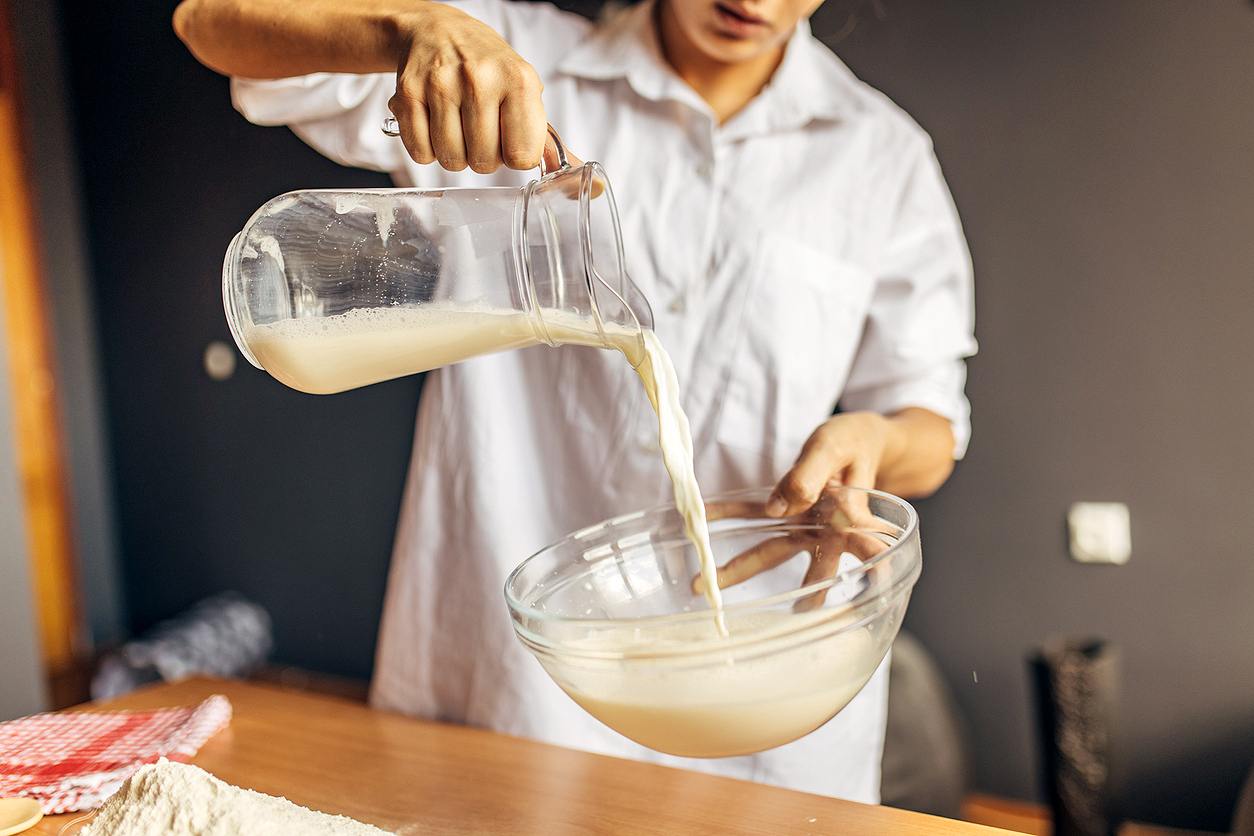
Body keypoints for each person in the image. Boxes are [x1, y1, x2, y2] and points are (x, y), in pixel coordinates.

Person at [173, 0, 976, 804]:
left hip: (769, 699)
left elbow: (929, 424)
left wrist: (871, 439)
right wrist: (407, 28)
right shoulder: (508, 59)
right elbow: (210, 25)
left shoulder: (882, 158)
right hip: (511, 683)